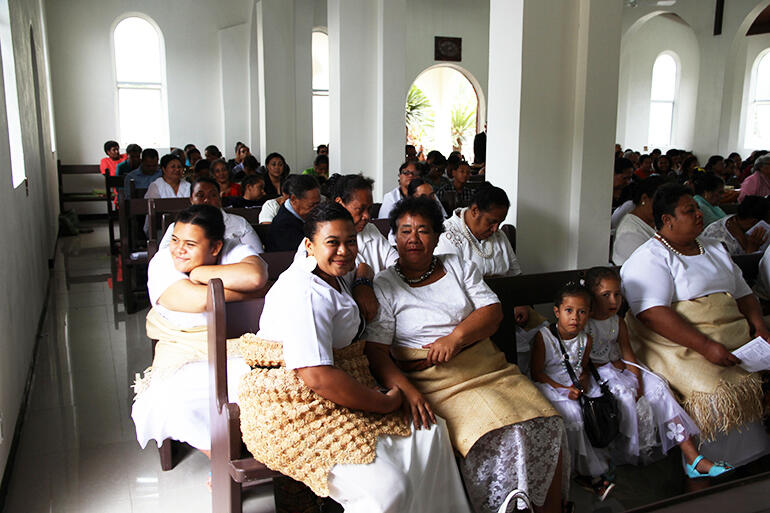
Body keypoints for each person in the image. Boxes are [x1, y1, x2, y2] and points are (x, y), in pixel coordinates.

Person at [237, 203, 472, 513]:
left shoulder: (336, 272)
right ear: (309, 245)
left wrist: (362, 285)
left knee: (429, 430)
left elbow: (363, 268)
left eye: (351, 241)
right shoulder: (305, 293)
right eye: (332, 242)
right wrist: (385, 404)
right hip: (296, 406)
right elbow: (317, 376)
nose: (344, 251)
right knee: (387, 491)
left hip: (337, 387)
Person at [364, 196, 569, 513]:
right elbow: (377, 353)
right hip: (438, 383)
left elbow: (492, 311)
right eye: (405, 231)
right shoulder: (385, 284)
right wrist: (409, 392)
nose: (414, 239)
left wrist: (455, 338)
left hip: (489, 368)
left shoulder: (457, 265)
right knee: (499, 434)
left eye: (423, 231)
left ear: (436, 236)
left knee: (546, 422)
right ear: (394, 237)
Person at [621, 183, 770, 468]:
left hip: (733, 334)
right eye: (690, 211)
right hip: (682, 343)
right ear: (667, 220)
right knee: (714, 389)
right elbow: (651, 314)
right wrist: (706, 346)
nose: (699, 215)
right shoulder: (650, 257)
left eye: (697, 209)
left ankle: (755, 463)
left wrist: (759, 326)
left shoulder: (714, 248)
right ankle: (710, 468)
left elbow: (744, 294)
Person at [132, 204, 267, 455]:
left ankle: (252, 447)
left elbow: (255, 278)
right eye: (175, 239)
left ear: (215, 247)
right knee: (169, 399)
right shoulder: (163, 262)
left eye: (190, 245)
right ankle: (220, 456)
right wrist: (249, 293)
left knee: (265, 389)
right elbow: (198, 300)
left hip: (237, 345)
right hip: (185, 349)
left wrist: (199, 272)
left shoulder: (233, 250)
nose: (178, 250)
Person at [584, 267, 731, 478]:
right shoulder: (585, 323)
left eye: (617, 294)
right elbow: (581, 359)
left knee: (660, 388)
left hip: (622, 367)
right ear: (591, 296)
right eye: (605, 295)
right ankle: (612, 459)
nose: (613, 301)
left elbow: (628, 353)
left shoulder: (618, 322)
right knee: (623, 396)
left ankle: (693, 458)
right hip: (598, 374)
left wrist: (638, 381)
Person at [531, 283, 614, 500]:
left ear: (589, 314)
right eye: (569, 311)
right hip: (550, 385)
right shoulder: (544, 337)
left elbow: (583, 368)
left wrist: (582, 382)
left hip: (573, 385)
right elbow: (537, 372)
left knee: (596, 405)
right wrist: (563, 389)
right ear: (557, 312)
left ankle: (587, 463)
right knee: (574, 413)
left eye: (582, 312)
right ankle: (583, 473)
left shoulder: (586, 340)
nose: (575, 317)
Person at [159, 177, 263, 253]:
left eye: (213, 195)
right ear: (191, 200)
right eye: (200, 195)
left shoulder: (239, 223)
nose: (206, 200)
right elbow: (163, 259)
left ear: (219, 199)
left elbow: (257, 255)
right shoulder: (177, 227)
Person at [611, 176, 664, 265]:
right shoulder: (630, 233)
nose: (667, 208)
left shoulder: (654, 222)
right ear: (644, 198)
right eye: (662, 203)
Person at [266, 174, 321, 251]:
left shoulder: (308, 216)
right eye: (312, 205)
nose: (317, 209)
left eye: (318, 203)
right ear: (294, 199)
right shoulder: (283, 226)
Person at [701, 195, 770, 255]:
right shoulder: (717, 237)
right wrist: (751, 250)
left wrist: (743, 241)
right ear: (754, 222)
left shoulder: (745, 228)